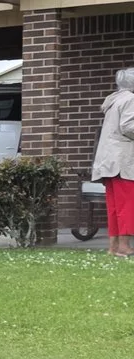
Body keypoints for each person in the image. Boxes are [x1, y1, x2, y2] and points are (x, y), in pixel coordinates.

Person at [91, 67, 134, 258]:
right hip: (123, 161)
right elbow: (129, 127)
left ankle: (113, 247)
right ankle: (125, 247)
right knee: (127, 204)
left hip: (108, 161)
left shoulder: (113, 101)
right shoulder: (131, 100)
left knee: (114, 207)